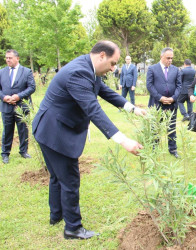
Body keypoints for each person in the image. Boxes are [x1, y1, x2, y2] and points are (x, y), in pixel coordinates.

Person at [32, 41, 146, 240]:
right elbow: (93, 109)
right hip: (55, 132)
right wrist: (124, 140)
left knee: (57, 176)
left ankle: (56, 215)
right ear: (102, 55)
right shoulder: (79, 72)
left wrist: (132, 108)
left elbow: (105, 91)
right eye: (112, 63)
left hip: (48, 127)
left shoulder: (88, 67)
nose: (113, 69)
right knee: (69, 179)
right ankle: (73, 228)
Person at [0, 49, 36, 164]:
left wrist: (18, 96)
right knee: (7, 130)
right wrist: (4, 97)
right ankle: (5, 153)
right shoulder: (1, 72)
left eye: (10, 58)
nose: (8, 60)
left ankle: (23, 151)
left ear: (17, 58)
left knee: (23, 130)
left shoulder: (26, 71)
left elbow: (31, 87)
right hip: (6, 106)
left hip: (21, 105)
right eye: (6, 58)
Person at [146, 47, 181, 158]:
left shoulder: (176, 70)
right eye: (167, 58)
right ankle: (154, 149)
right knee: (155, 127)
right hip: (157, 104)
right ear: (161, 57)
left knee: (171, 128)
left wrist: (173, 98)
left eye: (171, 58)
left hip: (172, 104)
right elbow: (149, 85)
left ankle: (173, 149)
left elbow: (179, 86)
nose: (170, 60)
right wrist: (159, 97)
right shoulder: (152, 69)